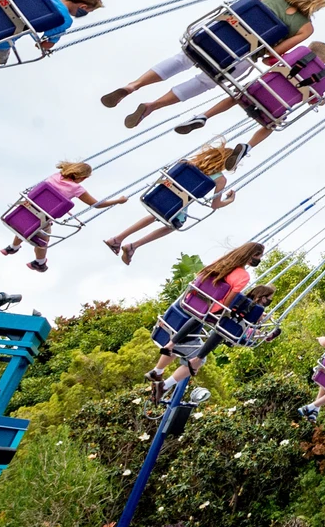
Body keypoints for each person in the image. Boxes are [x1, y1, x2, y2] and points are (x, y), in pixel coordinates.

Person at [101, 0, 325, 126]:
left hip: (213, 38)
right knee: (205, 82)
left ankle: (133, 85)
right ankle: (153, 105)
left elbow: (234, 9)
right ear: (319, 6)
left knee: (181, 60)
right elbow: (273, 55)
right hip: (237, 58)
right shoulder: (306, 28)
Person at [147, 242, 265, 397]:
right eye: (258, 256)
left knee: (199, 319)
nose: (259, 259)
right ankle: (166, 384)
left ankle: (161, 364)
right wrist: (225, 311)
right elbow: (228, 299)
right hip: (212, 307)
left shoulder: (223, 261)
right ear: (251, 255)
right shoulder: (243, 276)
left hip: (195, 301)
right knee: (220, 333)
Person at [172, 41, 325, 151]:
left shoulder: (294, 57)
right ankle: (248, 146)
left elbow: (267, 61)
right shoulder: (324, 78)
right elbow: (315, 101)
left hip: (256, 91)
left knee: (235, 98)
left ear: (309, 49)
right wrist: (321, 100)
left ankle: (204, 116)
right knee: (270, 126)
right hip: (274, 110)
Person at [105, 144, 240, 264]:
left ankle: (117, 238)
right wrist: (229, 201)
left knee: (156, 213)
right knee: (174, 224)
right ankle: (134, 245)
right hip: (176, 207)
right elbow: (215, 205)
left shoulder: (190, 163)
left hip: (158, 196)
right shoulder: (220, 179)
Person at [0, 160, 127, 272]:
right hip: (43, 218)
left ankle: (12, 247)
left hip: (26, 210)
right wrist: (118, 201)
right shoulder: (77, 188)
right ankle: (39, 262)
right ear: (82, 177)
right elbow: (97, 204)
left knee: (26, 224)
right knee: (43, 240)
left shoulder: (55, 176)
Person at [161, 284, 278, 395]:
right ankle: (166, 381)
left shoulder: (241, 300)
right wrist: (263, 318)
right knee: (203, 356)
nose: (270, 301)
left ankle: (162, 372)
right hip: (234, 331)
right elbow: (253, 321)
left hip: (223, 323)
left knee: (215, 331)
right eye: (270, 299)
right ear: (263, 298)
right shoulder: (256, 310)